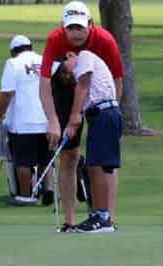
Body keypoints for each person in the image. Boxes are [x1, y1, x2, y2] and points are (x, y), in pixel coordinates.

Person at [39, 1, 124, 232]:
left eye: (80, 27)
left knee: (105, 163)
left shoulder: (105, 41)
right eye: (71, 28)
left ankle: (107, 218)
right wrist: (53, 120)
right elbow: (45, 84)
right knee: (69, 155)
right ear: (63, 27)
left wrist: (110, 114)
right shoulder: (55, 39)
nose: (75, 33)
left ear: (91, 24)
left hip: (99, 94)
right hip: (67, 87)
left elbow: (117, 81)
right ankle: (69, 220)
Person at [60, 51, 122, 233]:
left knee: (98, 167)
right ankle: (100, 216)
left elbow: (84, 83)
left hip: (104, 112)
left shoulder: (84, 57)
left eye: (65, 69)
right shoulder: (81, 71)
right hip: (100, 115)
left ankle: (101, 218)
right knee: (95, 166)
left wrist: (74, 116)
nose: (68, 75)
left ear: (70, 56)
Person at [0, 35, 54, 206]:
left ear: (13, 51)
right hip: (47, 120)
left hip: (22, 122)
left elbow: (6, 93)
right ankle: (48, 188)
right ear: (31, 46)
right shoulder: (44, 61)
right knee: (46, 158)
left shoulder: (12, 63)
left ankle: (26, 196)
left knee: (23, 161)